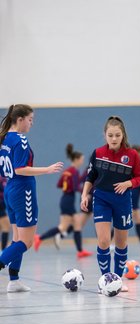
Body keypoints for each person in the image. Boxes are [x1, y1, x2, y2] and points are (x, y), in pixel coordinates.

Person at [0, 104, 63, 292]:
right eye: (30, 120)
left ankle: (14, 280)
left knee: (17, 237)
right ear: (19, 120)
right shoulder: (20, 140)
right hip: (23, 190)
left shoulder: (4, 139)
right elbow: (20, 169)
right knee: (26, 241)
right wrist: (47, 169)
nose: (31, 124)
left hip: (10, 189)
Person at [81, 116, 140, 293]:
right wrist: (85, 195)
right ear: (105, 135)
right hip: (101, 198)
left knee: (121, 243)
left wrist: (128, 184)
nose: (114, 139)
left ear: (123, 135)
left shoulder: (132, 155)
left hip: (122, 201)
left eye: (117, 135)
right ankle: (105, 280)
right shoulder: (98, 153)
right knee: (103, 240)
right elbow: (90, 177)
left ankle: (117, 279)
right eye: (110, 135)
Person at [34, 144, 93, 258]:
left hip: (65, 199)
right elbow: (76, 187)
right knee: (63, 227)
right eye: (81, 160)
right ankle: (39, 238)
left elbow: (59, 184)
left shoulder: (67, 171)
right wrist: (86, 193)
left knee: (76, 225)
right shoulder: (74, 171)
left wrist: (71, 186)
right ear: (76, 159)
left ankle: (80, 251)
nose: (82, 162)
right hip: (69, 201)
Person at [0, 176, 11, 251]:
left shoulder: (3, 177)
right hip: (0, 207)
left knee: (3, 227)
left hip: (3, 206)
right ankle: (3, 252)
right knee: (6, 227)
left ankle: (3, 251)